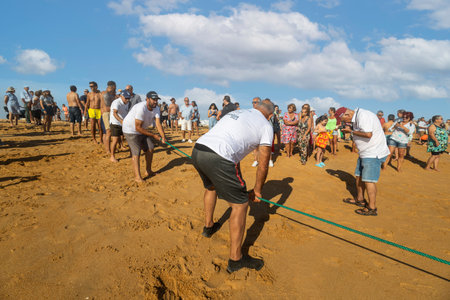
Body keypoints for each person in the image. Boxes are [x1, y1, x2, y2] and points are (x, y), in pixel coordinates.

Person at [192, 99, 275, 273]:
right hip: (219, 156)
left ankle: (208, 227)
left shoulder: (239, 112)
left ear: (256, 107)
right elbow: (263, 163)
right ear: (271, 114)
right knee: (240, 204)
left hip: (199, 149)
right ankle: (236, 259)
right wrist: (258, 190)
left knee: (211, 187)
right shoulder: (267, 126)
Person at [338, 107, 390, 216]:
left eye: (344, 120)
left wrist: (350, 131)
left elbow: (368, 134)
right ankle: (360, 199)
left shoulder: (363, 116)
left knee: (369, 181)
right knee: (359, 176)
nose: (344, 122)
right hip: (365, 153)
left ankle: (372, 207)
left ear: (347, 114)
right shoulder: (358, 117)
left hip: (373, 153)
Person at [122, 91, 166, 182]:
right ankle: (138, 177)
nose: (155, 102)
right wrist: (154, 135)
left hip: (141, 129)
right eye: (153, 99)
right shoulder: (141, 107)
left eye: (156, 100)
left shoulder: (156, 108)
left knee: (150, 148)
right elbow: (137, 127)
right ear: (147, 99)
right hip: (130, 130)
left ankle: (148, 170)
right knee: (136, 152)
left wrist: (163, 136)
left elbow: (158, 124)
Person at [110, 90, 131, 162]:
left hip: (123, 122)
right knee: (115, 140)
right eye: (126, 98)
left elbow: (126, 112)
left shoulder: (127, 102)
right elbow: (114, 113)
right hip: (115, 122)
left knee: (128, 138)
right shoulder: (116, 102)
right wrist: (121, 121)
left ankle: (132, 153)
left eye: (129, 98)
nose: (127, 100)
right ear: (121, 96)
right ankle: (112, 156)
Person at [101, 81, 117, 154]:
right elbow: (107, 107)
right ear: (113, 86)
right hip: (107, 113)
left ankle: (109, 149)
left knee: (109, 132)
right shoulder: (106, 94)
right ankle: (108, 150)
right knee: (108, 132)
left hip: (108, 113)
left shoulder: (111, 94)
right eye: (115, 86)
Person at [251, 97, 262, 167]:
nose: (253, 104)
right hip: (254, 130)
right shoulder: (251, 111)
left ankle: (265, 160)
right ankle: (255, 160)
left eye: (255, 102)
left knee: (264, 147)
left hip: (262, 130)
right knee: (255, 147)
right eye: (253, 102)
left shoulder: (263, 111)